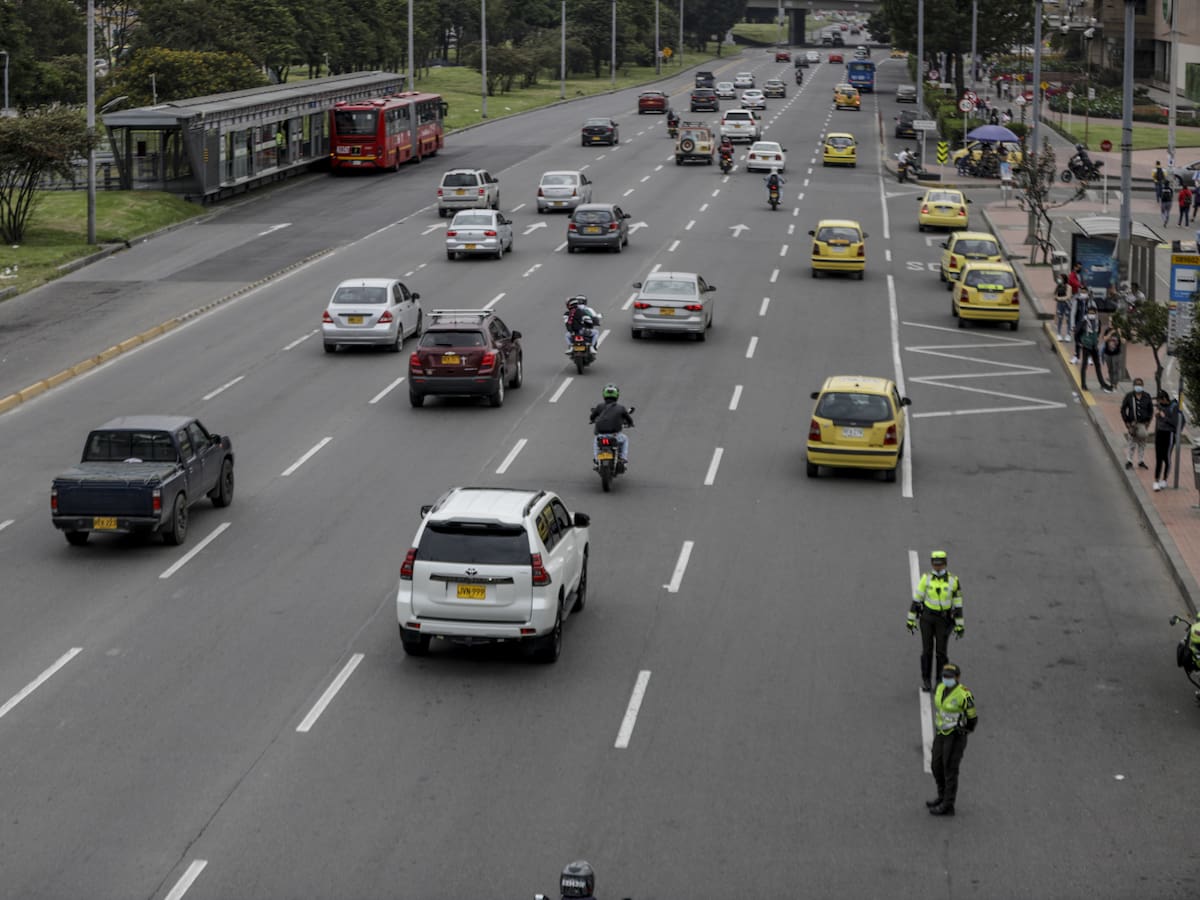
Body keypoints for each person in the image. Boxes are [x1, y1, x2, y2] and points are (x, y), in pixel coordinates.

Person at [906, 550, 964, 693]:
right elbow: (917, 600)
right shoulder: (926, 579)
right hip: (927, 618)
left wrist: (959, 625)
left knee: (941, 652)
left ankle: (940, 681)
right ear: (932, 564)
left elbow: (958, 605)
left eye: (940, 564)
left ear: (945, 563)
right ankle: (926, 680)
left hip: (943, 620)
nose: (937, 567)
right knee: (927, 651)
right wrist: (911, 620)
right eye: (935, 564)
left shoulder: (953, 580)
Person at [927, 663, 978, 817]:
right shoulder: (940, 688)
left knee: (950, 769)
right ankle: (942, 796)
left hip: (955, 736)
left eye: (949, 677)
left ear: (957, 678)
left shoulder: (964, 695)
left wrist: (963, 730)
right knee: (936, 765)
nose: (946, 679)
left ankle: (948, 805)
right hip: (942, 732)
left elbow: (972, 718)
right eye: (944, 676)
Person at [590, 383, 634, 467]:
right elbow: (629, 419)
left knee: (596, 441)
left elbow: (592, 416)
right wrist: (631, 424)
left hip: (601, 436)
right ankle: (623, 458)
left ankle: (596, 459)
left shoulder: (599, 406)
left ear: (604, 395)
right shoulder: (621, 408)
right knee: (625, 439)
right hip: (615, 436)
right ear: (617, 395)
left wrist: (592, 420)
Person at [1075, 303, 1112, 392]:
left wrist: (1095, 341)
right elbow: (1077, 332)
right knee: (1084, 366)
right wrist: (1079, 343)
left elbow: (1098, 332)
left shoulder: (1097, 321)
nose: (1091, 314)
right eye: (1090, 313)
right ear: (1087, 313)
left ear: (1095, 313)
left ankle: (1102, 384)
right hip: (1086, 346)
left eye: (1093, 313)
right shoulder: (1084, 321)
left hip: (1094, 346)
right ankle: (1083, 384)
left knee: (1098, 365)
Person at [1121, 377, 1154, 470]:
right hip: (1132, 423)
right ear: (1134, 386)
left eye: (1140, 385)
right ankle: (1129, 461)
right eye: (1137, 385)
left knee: (1142, 443)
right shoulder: (1129, 396)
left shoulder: (1147, 396)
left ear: (1142, 386)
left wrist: (1148, 423)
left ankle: (1141, 461)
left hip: (1143, 424)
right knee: (1131, 443)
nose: (1138, 386)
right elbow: (1123, 409)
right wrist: (1126, 421)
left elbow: (1150, 410)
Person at [1153, 390, 1181, 491]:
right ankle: (1156, 480)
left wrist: (1164, 417)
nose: (1160, 403)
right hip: (1160, 433)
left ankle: (1164, 479)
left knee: (1166, 457)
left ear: (1165, 399)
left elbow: (1174, 422)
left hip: (1169, 435)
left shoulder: (1173, 407)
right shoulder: (1160, 406)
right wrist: (1157, 415)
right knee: (1158, 457)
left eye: (1161, 401)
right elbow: (1158, 419)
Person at [1101, 320, 1123, 388]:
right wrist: (1110, 333)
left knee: (1115, 369)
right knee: (1110, 369)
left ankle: (1115, 384)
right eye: (1109, 321)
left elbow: (1123, 341)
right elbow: (1104, 339)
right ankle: (1111, 383)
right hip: (1108, 353)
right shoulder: (1107, 330)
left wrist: (1119, 333)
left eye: (1112, 322)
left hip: (1116, 354)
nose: (1110, 323)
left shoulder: (1119, 331)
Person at [1053, 274, 1072, 341]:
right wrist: (1057, 298)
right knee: (1059, 319)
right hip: (1059, 305)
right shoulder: (1058, 287)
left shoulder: (1068, 287)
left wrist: (1059, 298)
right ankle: (1058, 333)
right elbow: (1054, 296)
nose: (1059, 279)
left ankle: (1068, 334)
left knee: (1068, 319)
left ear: (1064, 279)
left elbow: (1068, 296)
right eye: (1058, 278)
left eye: (1060, 278)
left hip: (1067, 305)